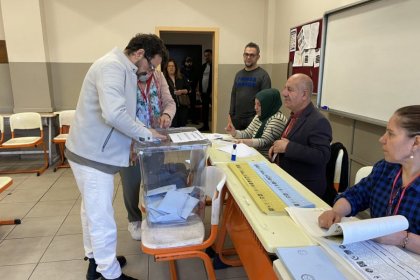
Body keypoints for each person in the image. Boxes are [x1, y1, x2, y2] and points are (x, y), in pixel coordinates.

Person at [65, 33, 168, 280]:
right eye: (151, 65)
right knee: (101, 216)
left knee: (90, 210)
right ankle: (109, 274)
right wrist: (146, 134)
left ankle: (95, 260)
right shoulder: (112, 66)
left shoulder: (124, 69)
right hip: (92, 154)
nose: (150, 71)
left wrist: (132, 143)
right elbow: (114, 114)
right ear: (140, 54)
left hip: (91, 151)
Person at [318, 105, 420, 254]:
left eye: (391, 134)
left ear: (416, 143)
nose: (382, 139)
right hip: (375, 257)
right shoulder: (386, 168)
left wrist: (403, 239)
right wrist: (336, 211)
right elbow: (356, 195)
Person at [121, 58, 176, 241]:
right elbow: (121, 113)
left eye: (154, 68)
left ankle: (155, 216)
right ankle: (134, 220)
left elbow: (169, 102)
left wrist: (167, 114)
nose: (151, 71)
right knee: (131, 183)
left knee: (154, 180)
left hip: (155, 141)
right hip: (130, 144)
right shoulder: (125, 77)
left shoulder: (159, 77)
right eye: (149, 66)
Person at [268, 73, 332, 198]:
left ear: (304, 94)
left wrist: (287, 147)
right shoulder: (295, 115)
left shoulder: (319, 121)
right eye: (285, 88)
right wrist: (277, 148)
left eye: (289, 89)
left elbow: (322, 156)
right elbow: (293, 140)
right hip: (286, 180)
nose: (284, 93)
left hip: (304, 189)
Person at [225, 88, 287, 159]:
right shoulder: (259, 116)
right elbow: (247, 133)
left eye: (259, 105)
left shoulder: (277, 119)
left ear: (268, 104)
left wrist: (244, 142)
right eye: (255, 104)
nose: (255, 108)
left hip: (265, 159)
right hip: (254, 154)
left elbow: (264, 141)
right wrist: (234, 132)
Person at [228, 42, 271, 130]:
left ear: (258, 57)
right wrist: (230, 116)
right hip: (237, 119)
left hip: (254, 120)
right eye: (246, 54)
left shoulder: (263, 75)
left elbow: (266, 101)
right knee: (236, 142)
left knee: (250, 143)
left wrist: (259, 118)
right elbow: (233, 95)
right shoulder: (238, 74)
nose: (248, 57)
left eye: (252, 55)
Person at [164, 58, 189, 127]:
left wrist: (182, 91)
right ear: (166, 68)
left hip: (182, 106)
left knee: (182, 126)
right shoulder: (163, 78)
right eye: (169, 66)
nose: (171, 68)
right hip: (170, 107)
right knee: (173, 127)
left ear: (176, 67)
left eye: (173, 66)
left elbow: (189, 89)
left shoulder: (181, 77)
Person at [181, 56, 199, 124]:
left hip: (193, 89)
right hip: (184, 90)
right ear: (185, 62)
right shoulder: (182, 70)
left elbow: (197, 79)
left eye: (190, 62)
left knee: (193, 105)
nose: (188, 63)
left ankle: (194, 120)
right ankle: (185, 120)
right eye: (187, 62)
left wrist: (196, 89)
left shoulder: (194, 69)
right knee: (184, 105)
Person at [198, 49, 212, 131]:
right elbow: (200, 79)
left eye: (208, 55)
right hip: (203, 92)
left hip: (211, 92)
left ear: (212, 56)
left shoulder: (214, 66)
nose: (206, 57)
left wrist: (212, 92)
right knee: (205, 110)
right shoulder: (203, 66)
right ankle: (205, 126)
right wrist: (199, 90)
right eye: (205, 56)